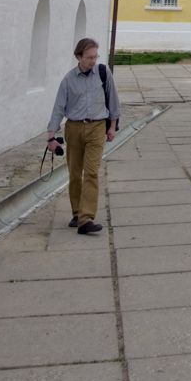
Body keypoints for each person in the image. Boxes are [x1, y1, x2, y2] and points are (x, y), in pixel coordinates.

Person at [46, 36, 120, 235]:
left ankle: (86, 218)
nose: (92, 61)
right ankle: (77, 213)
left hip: (97, 127)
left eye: (95, 57)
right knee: (75, 173)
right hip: (74, 128)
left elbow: (113, 100)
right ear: (79, 57)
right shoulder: (68, 80)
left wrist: (112, 126)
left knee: (92, 172)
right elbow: (58, 108)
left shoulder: (104, 73)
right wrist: (51, 136)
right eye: (88, 57)